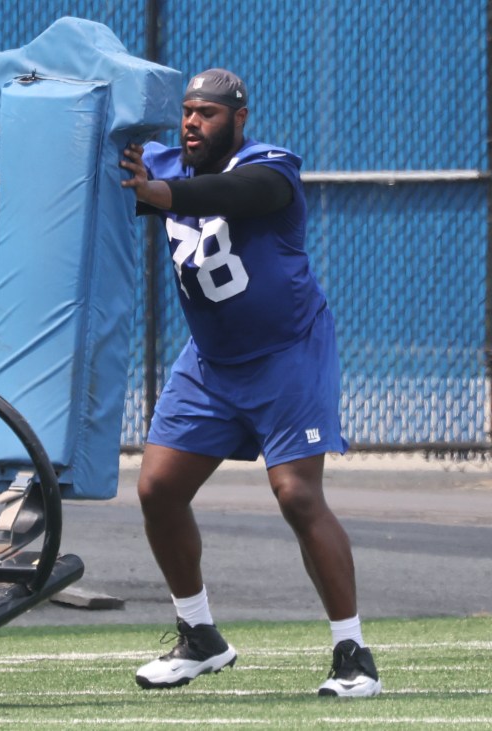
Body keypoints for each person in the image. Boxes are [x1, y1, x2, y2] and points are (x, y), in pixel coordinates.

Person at [118, 68, 381, 698]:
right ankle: (200, 637)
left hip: (287, 355)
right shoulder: (161, 161)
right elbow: (113, 163)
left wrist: (161, 195)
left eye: (207, 113)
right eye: (186, 112)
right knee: (157, 489)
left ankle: (354, 655)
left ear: (239, 119)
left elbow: (244, 194)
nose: (191, 123)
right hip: (210, 363)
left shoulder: (270, 164)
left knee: (297, 496)